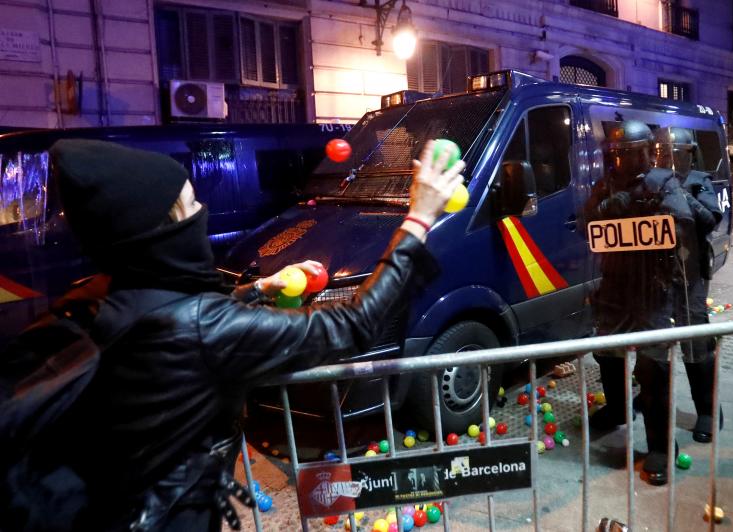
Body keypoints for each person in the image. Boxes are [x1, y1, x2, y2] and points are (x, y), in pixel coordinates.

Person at [8, 138, 463, 532]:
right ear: (165, 226)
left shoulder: (95, 297)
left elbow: (175, 306)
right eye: (191, 204)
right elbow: (354, 325)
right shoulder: (200, 328)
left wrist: (261, 288)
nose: (202, 211)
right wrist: (418, 219)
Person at [584, 120, 694, 485]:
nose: (624, 161)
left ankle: (661, 445)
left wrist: (647, 212)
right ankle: (617, 409)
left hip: (652, 290)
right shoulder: (607, 185)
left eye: (631, 154)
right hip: (615, 287)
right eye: (619, 155)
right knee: (607, 354)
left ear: (646, 152)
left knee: (653, 368)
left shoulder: (663, 182)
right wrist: (607, 207)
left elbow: (683, 223)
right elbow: (586, 222)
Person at [664, 127, 723, 443]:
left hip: (690, 273)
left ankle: (708, 410)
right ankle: (650, 396)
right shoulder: (655, 181)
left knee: (695, 341)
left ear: (689, 154)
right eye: (666, 152)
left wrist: (682, 195)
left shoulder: (699, 181)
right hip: (657, 275)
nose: (671, 158)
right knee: (654, 343)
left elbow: (711, 220)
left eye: (677, 152)